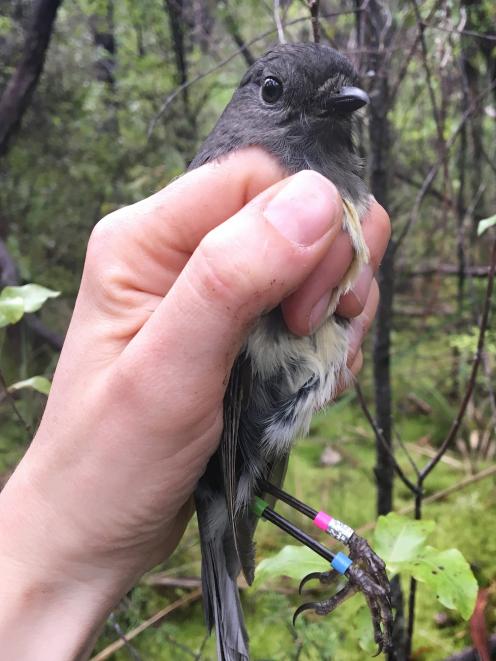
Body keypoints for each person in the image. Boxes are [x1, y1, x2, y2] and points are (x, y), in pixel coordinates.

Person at [0, 148, 390, 659]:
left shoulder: (317, 204)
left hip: (251, 441)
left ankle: (343, 554)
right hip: (228, 447)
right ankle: (340, 556)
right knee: (243, 489)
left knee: (251, 488)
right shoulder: (239, 217)